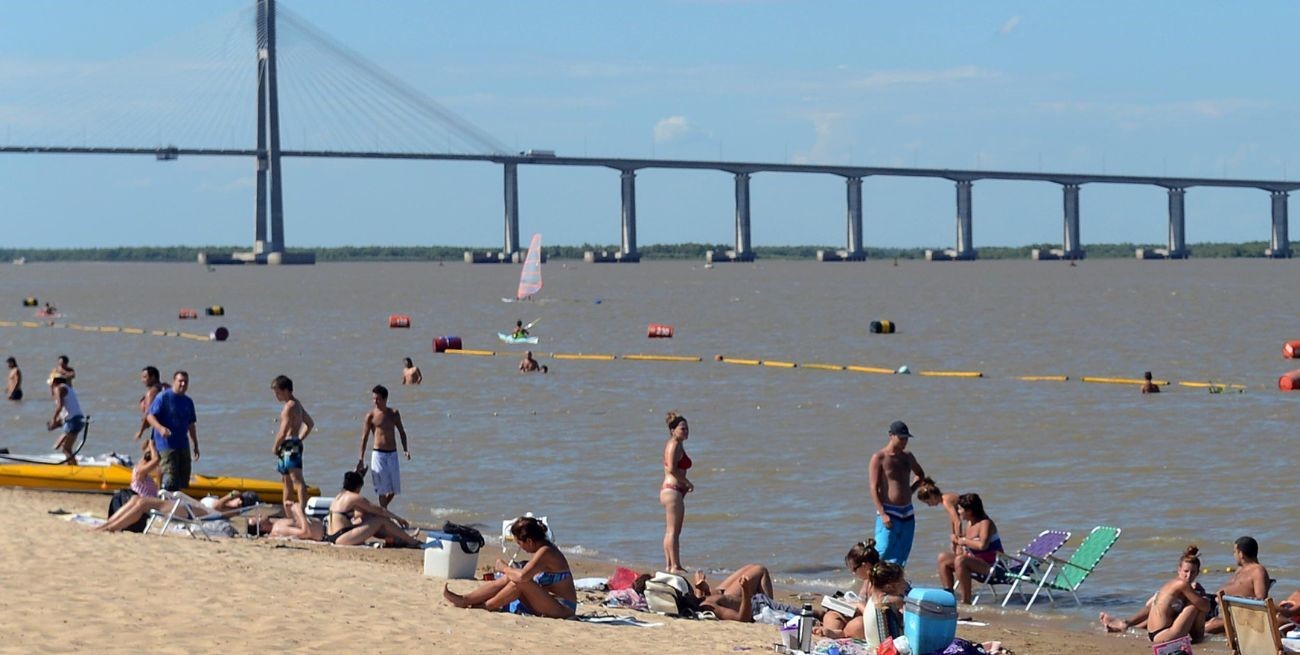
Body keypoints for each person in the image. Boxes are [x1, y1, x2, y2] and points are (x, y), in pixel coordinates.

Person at [443, 515, 578, 618]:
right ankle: (465, 599)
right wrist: (509, 572)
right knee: (511, 578)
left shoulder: (546, 552)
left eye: (520, 543)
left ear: (529, 541)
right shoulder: (540, 550)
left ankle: (487, 606)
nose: (520, 547)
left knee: (519, 582)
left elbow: (523, 577)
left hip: (563, 608)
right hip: (549, 602)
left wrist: (503, 568)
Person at [1101, 545, 1211, 643]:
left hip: (1155, 633)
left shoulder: (1172, 584)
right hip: (1164, 635)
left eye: (1192, 572)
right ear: (1179, 570)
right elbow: (1205, 607)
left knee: (1187, 602)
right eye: (1186, 571)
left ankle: (1124, 624)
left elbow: (1151, 606)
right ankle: (1198, 640)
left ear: (1197, 573)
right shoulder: (1182, 584)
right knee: (1195, 605)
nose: (1189, 576)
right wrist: (1202, 593)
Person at [868, 420, 928, 567]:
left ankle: (894, 585)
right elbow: (873, 487)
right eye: (901, 438)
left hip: (907, 512)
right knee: (882, 551)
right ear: (891, 435)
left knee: (902, 554)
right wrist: (882, 514)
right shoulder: (879, 457)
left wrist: (910, 491)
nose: (904, 441)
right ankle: (867, 586)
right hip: (889, 511)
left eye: (906, 438)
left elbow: (920, 474)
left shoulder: (908, 456)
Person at [324, 471, 423, 547]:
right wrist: (398, 519)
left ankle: (400, 538)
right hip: (342, 538)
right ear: (358, 487)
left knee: (369, 518)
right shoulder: (353, 497)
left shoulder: (339, 497)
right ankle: (411, 541)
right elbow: (380, 510)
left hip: (332, 536)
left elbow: (362, 513)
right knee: (380, 520)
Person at [936, 493, 1003, 604]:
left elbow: (983, 545)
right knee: (943, 557)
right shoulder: (970, 524)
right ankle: (948, 598)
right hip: (976, 562)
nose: (958, 512)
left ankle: (966, 601)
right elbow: (966, 548)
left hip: (993, 565)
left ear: (969, 511)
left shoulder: (986, 523)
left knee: (961, 560)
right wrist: (957, 542)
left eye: (960, 509)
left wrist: (964, 541)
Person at [357, 384, 409, 510]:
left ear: (385, 399)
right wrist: (361, 459)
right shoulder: (371, 416)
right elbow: (364, 437)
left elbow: (402, 432)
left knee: (394, 489)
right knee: (381, 489)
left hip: (392, 453)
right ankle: (384, 515)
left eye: (378, 399)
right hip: (378, 454)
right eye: (373, 399)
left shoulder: (394, 413)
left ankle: (382, 511)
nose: (375, 402)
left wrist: (405, 449)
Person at [818, 540, 883, 639]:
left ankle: (840, 634)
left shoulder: (879, 582)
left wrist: (859, 605)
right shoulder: (867, 580)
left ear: (865, 566)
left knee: (858, 624)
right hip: (863, 616)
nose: (853, 573)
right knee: (831, 615)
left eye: (854, 569)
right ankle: (833, 633)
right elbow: (861, 602)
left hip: (874, 624)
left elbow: (876, 617)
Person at [1204, 536, 1270, 634]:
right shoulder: (1241, 569)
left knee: (1208, 627)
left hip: (1236, 613)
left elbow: (1260, 600)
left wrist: (1234, 601)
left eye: (1235, 552)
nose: (1234, 555)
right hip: (1216, 606)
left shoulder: (1258, 571)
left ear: (1241, 553)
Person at [146, 371, 199, 492]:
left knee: (183, 478)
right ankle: (163, 502)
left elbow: (191, 424)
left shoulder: (188, 402)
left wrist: (195, 444)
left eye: (186, 382)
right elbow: (150, 416)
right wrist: (160, 428)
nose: (183, 384)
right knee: (170, 479)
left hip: (183, 444)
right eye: (180, 381)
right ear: (174, 381)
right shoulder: (163, 397)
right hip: (166, 445)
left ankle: (177, 504)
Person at [271, 375, 314, 509]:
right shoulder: (297, 404)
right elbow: (310, 423)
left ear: (285, 390)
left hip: (289, 445)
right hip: (292, 443)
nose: (276, 395)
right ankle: (288, 511)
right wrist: (300, 438)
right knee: (286, 480)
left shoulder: (289, 407)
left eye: (277, 392)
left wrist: (275, 447)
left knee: (297, 479)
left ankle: (302, 510)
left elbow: (283, 432)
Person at [660, 411, 694, 574]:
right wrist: (686, 482)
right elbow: (671, 468)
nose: (686, 431)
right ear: (673, 430)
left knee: (670, 530)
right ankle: (675, 565)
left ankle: (669, 564)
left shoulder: (676, 444)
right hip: (672, 490)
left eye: (687, 429)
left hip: (672, 490)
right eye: (682, 429)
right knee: (674, 530)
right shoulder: (673, 444)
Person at [47, 376, 84, 465]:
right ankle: (70, 467)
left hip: (74, 421)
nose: (50, 387)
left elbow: (59, 406)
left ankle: (75, 470)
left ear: (55, 382)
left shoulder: (59, 388)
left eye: (50, 385)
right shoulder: (67, 388)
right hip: (77, 419)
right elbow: (66, 410)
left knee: (66, 449)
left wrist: (53, 419)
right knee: (65, 448)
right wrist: (56, 421)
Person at [250, 499, 324, 540]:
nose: (259, 515)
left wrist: (290, 511)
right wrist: (300, 512)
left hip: (323, 525)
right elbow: (305, 533)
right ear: (262, 527)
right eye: (257, 518)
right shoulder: (279, 529)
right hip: (325, 532)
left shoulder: (276, 525)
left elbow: (297, 524)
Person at [916, 478, 961, 545]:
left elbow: (958, 522)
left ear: (933, 496)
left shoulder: (946, 501)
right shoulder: (945, 499)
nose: (929, 505)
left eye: (928, 502)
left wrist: (958, 542)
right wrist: (953, 535)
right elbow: (953, 520)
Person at [133, 366, 167, 442]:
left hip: (160, 429)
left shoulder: (151, 393)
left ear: (153, 377)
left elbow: (148, 414)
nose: (142, 380)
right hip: (172, 426)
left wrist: (140, 432)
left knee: (151, 447)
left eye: (145, 377)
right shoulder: (166, 387)